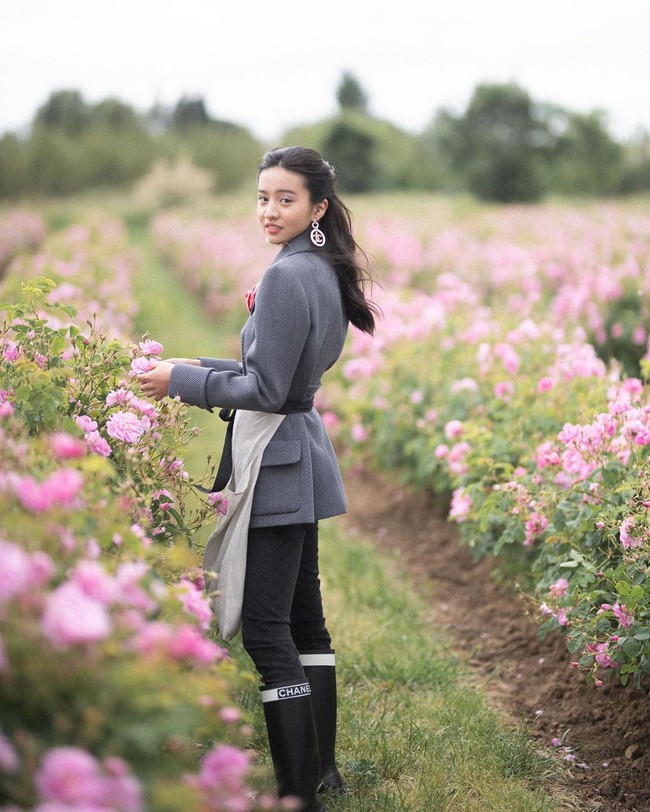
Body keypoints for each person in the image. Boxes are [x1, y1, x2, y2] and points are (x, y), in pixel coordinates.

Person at [137, 146, 377, 811]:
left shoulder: (284, 276)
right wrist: (196, 364)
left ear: (318, 208)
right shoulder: (320, 267)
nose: (269, 211)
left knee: (269, 633)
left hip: (278, 463)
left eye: (285, 199)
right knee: (308, 624)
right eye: (263, 197)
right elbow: (281, 372)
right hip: (303, 453)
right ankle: (320, 772)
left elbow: (267, 388)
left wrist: (180, 382)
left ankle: (298, 795)